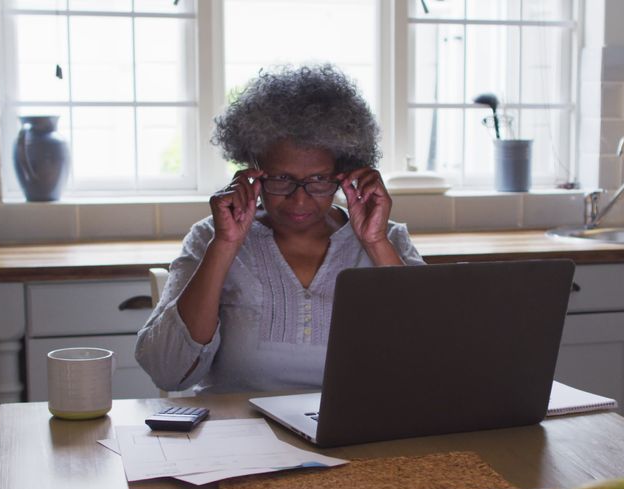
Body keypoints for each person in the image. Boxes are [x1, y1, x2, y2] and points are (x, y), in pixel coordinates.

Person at [136, 64, 425, 393]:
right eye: (281, 179)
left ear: (344, 174)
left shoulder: (389, 239)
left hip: (352, 436)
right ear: (253, 169)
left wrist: (376, 242)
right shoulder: (211, 237)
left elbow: (434, 358)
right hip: (239, 434)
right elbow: (166, 372)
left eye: (317, 180)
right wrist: (225, 246)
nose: (299, 201)